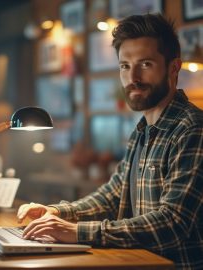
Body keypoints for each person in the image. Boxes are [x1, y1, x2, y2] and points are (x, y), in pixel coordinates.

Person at [17, 13, 203, 270]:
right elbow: (112, 197)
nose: (132, 77)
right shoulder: (142, 130)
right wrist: (58, 213)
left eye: (145, 64)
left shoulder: (193, 129)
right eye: (125, 66)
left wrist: (78, 232)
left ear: (173, 67)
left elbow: (172, 223)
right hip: (140, 263)